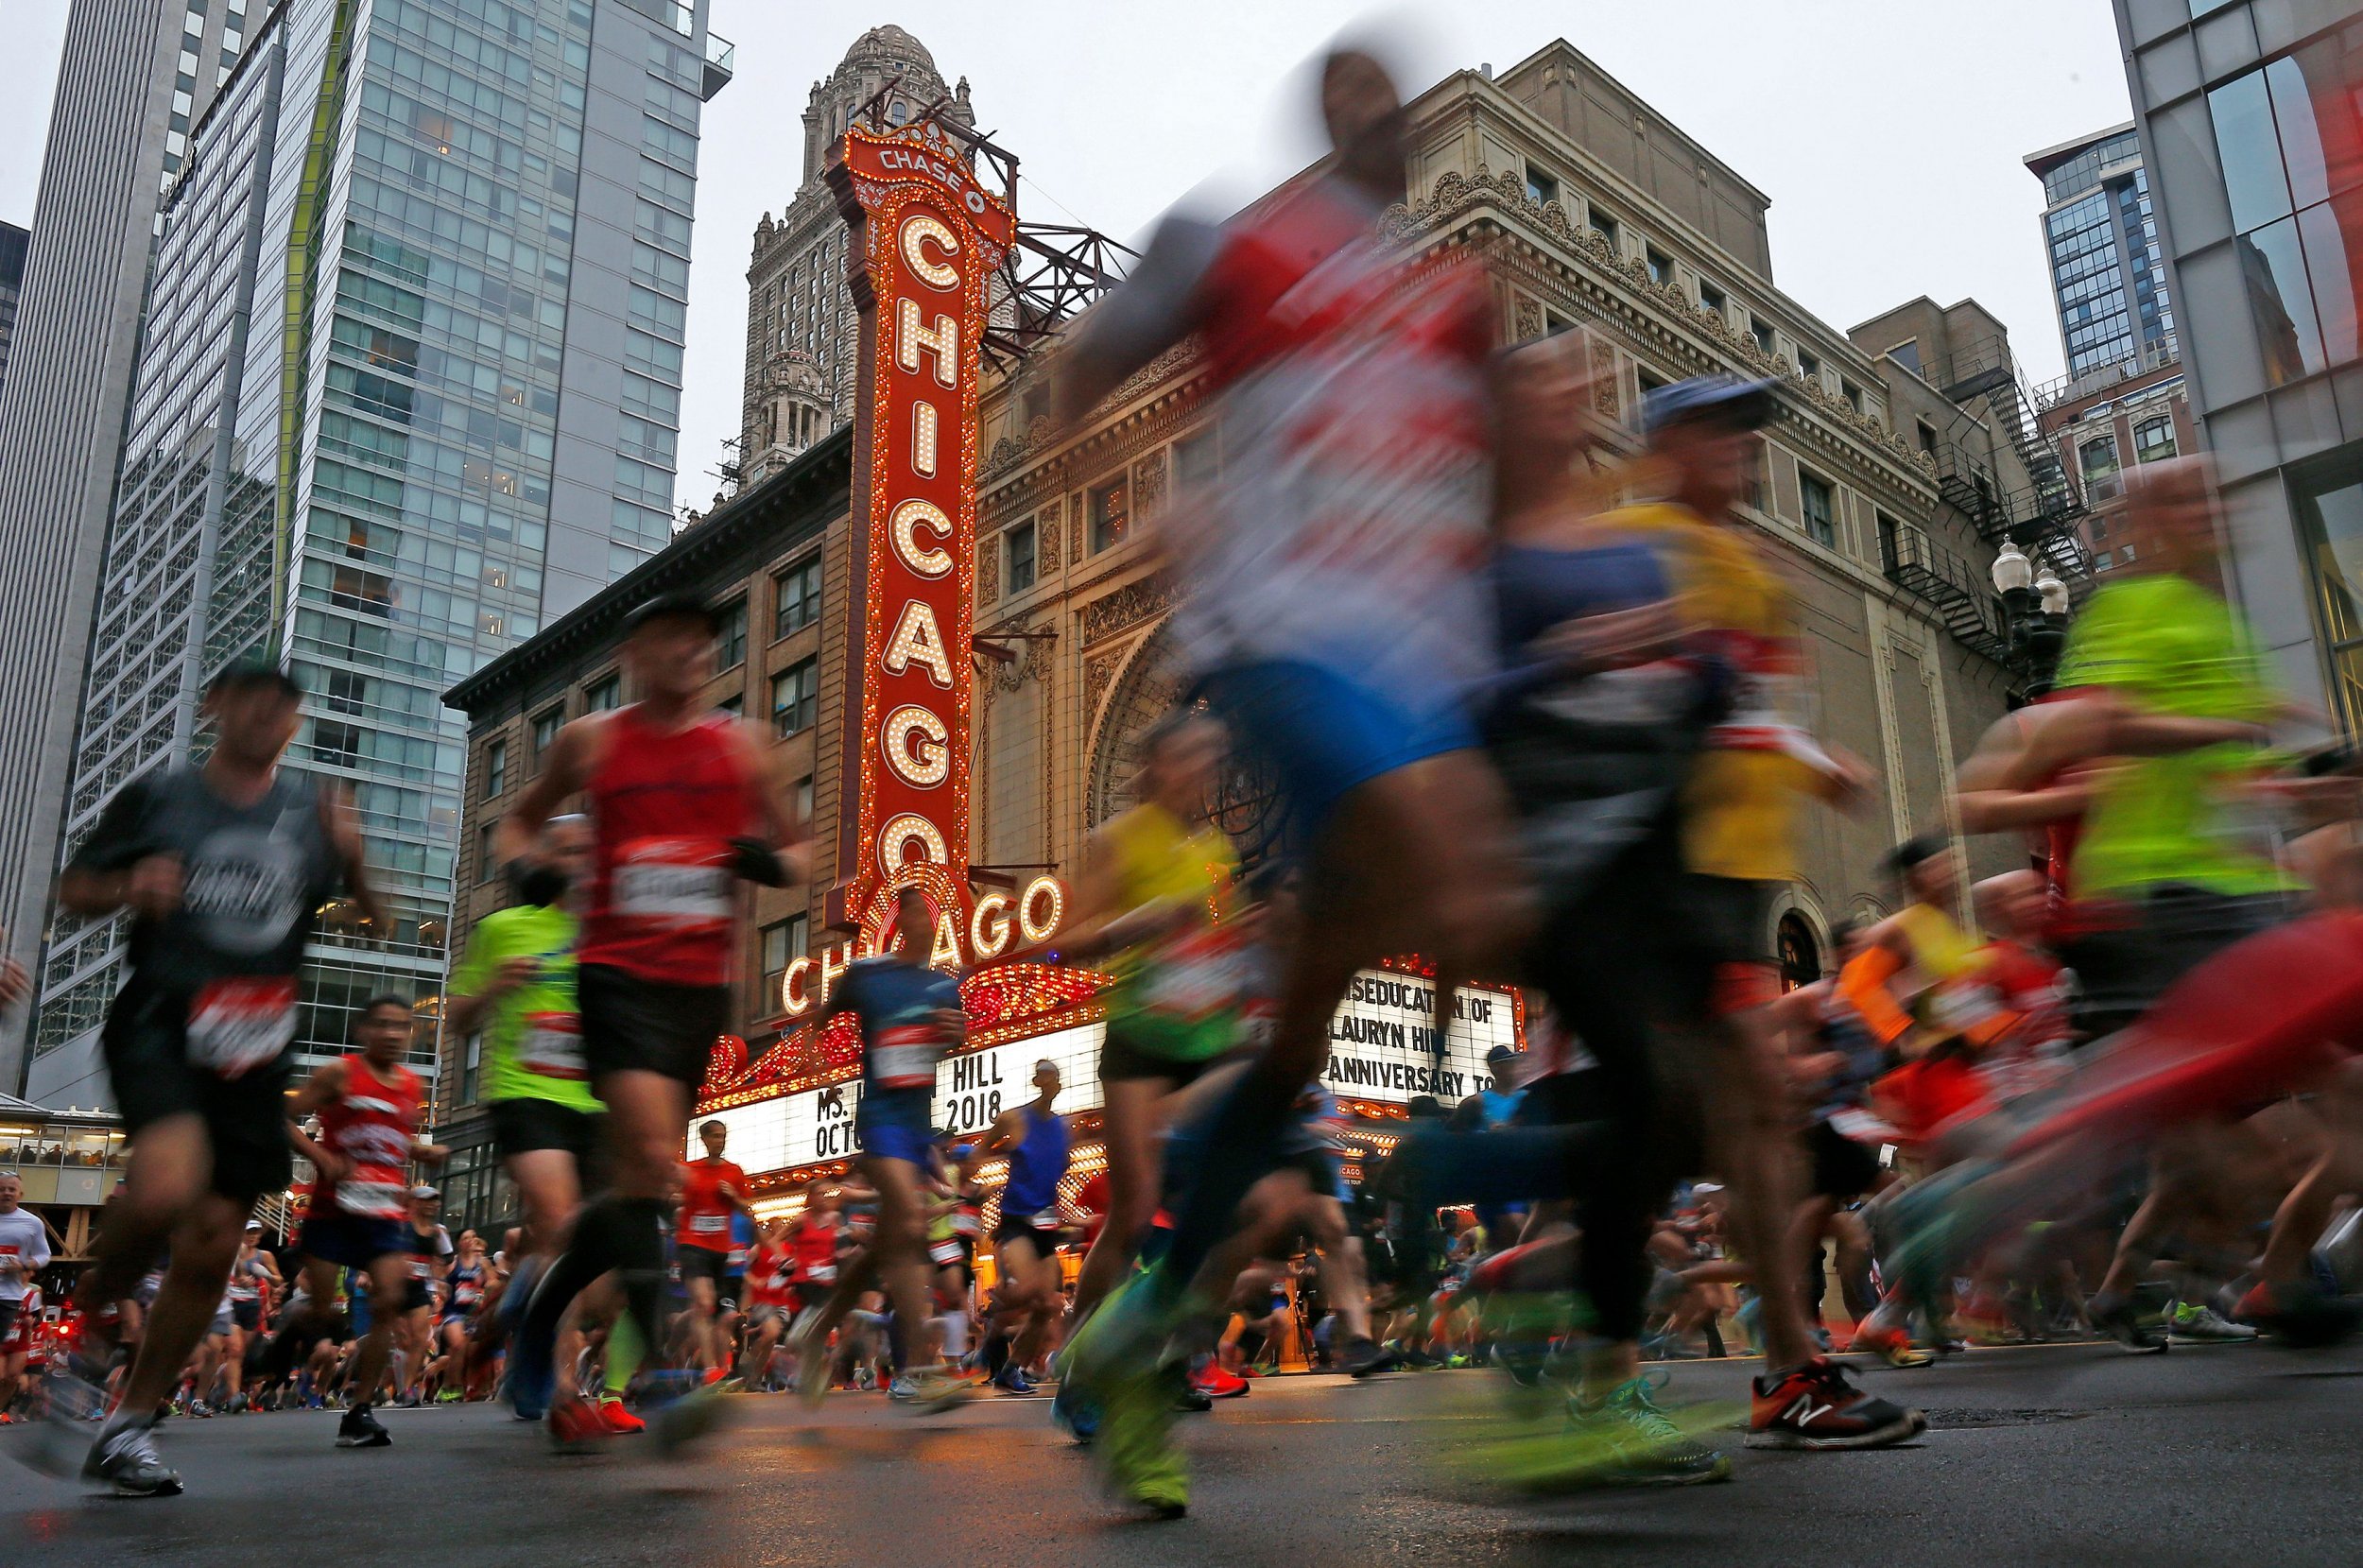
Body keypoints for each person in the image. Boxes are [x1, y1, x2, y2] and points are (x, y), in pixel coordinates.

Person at [1048, 45, 1536, 1514]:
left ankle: (1146, 1327)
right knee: (1475, 893)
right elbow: (1084, 368)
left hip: (1415, 676)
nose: (1374, 109)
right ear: (1321, 120)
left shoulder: (1452, 301)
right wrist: (1154, 503)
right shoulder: (1245, 244)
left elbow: (1506, 473)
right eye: (1347, 90)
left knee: (1303, 1036)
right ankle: (1556, 1361)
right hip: (1282, 643)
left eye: (1392, 89)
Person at [52, 662, 380, 1496]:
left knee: (207, 1251)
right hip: (164, 1018)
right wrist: (131, 884)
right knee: (164, 1188)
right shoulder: (162, 798)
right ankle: (92, 1317)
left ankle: (130, 1425)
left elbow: (373, 915)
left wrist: (359, 863)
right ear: (215, 707)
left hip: (257, 1044)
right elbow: (75, 890)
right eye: (252, 700)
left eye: (285, 707)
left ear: (296, 721)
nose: (269, 716)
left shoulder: (313, 811)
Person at [498, 590, 804, 1451]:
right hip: (616, 976)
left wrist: (765, 858)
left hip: (698, 988)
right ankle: (668, 1368)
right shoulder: (591, 742)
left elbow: (801, 850)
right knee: (647, 1155)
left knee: (640, 1184)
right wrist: (538, 862)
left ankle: (538, 1313)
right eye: (672, 637)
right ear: (638, 651)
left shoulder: (746, 746)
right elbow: (520, 823)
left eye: (704, 638)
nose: (692, 651)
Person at [790, 887, 979, 1412]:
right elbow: (822, 1011)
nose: (923, 918)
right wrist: (811, 1049)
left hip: (919, 1127)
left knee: (887, 1246)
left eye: (931, 911)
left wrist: (954, 1035)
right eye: (914, 909)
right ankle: (920, 1367)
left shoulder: (944, 984)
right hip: (879, 1122)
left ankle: (817, 1331)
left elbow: (953, 1040)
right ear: (899, 919)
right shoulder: (867, 974)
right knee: (913, 1226)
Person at [282, 995, 448, 1447]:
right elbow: (283, 1116)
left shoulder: (412, 1085)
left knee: (388, 1303)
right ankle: (291, 1345)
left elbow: (392, 1137)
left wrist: (421, 1151)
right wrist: (320, 1156)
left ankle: (360, 1410)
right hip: (332, 1211)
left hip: (384, 1214)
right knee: (320, 1312)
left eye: (403, 1026)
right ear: (364, 1031)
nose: (394, 1034)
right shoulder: (340, 1073)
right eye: (384, 1025)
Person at [443, 815, 601, 1281]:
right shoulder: (504, 928)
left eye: (590, 852)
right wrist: (495, 985)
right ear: (547, 861)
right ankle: (553, 1351)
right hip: (526, 1096)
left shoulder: (617, 934)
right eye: (571, 852)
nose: (583, 863)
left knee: (596, 1245)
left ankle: (508, 1308)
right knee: (564, 1223)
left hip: (597, 1102)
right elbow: (456, 1018)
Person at [978, 1060, 1069, 1395]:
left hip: (1045, 1224)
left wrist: (1067, 1219)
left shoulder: (1063, 1128)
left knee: (1048, 1305)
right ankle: (991, 1334)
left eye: (1056, 1077)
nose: (1051, 1082)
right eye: (1045, 1076)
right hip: (1015, 1219)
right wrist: (970, 1181)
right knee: (1029, 1290)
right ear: (1036, 1081)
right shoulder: (1013, 1118)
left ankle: (1011, 1369)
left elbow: (1057, 1172)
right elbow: (980, 1152)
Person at [676, 1120, 753, 1380]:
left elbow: (746, 1208)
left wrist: (733, 1195)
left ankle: (685, 1352)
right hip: (692, 1244)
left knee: (717, 1313)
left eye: (723, 1136)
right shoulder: (690, 1170)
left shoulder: (734, 1172)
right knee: (704, 1303)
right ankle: (710, 1369)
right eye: (715, 1136)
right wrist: (675, 1199)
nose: (720, 1141)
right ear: (704, 1139)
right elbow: (672, 1197)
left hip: (720, 1250)